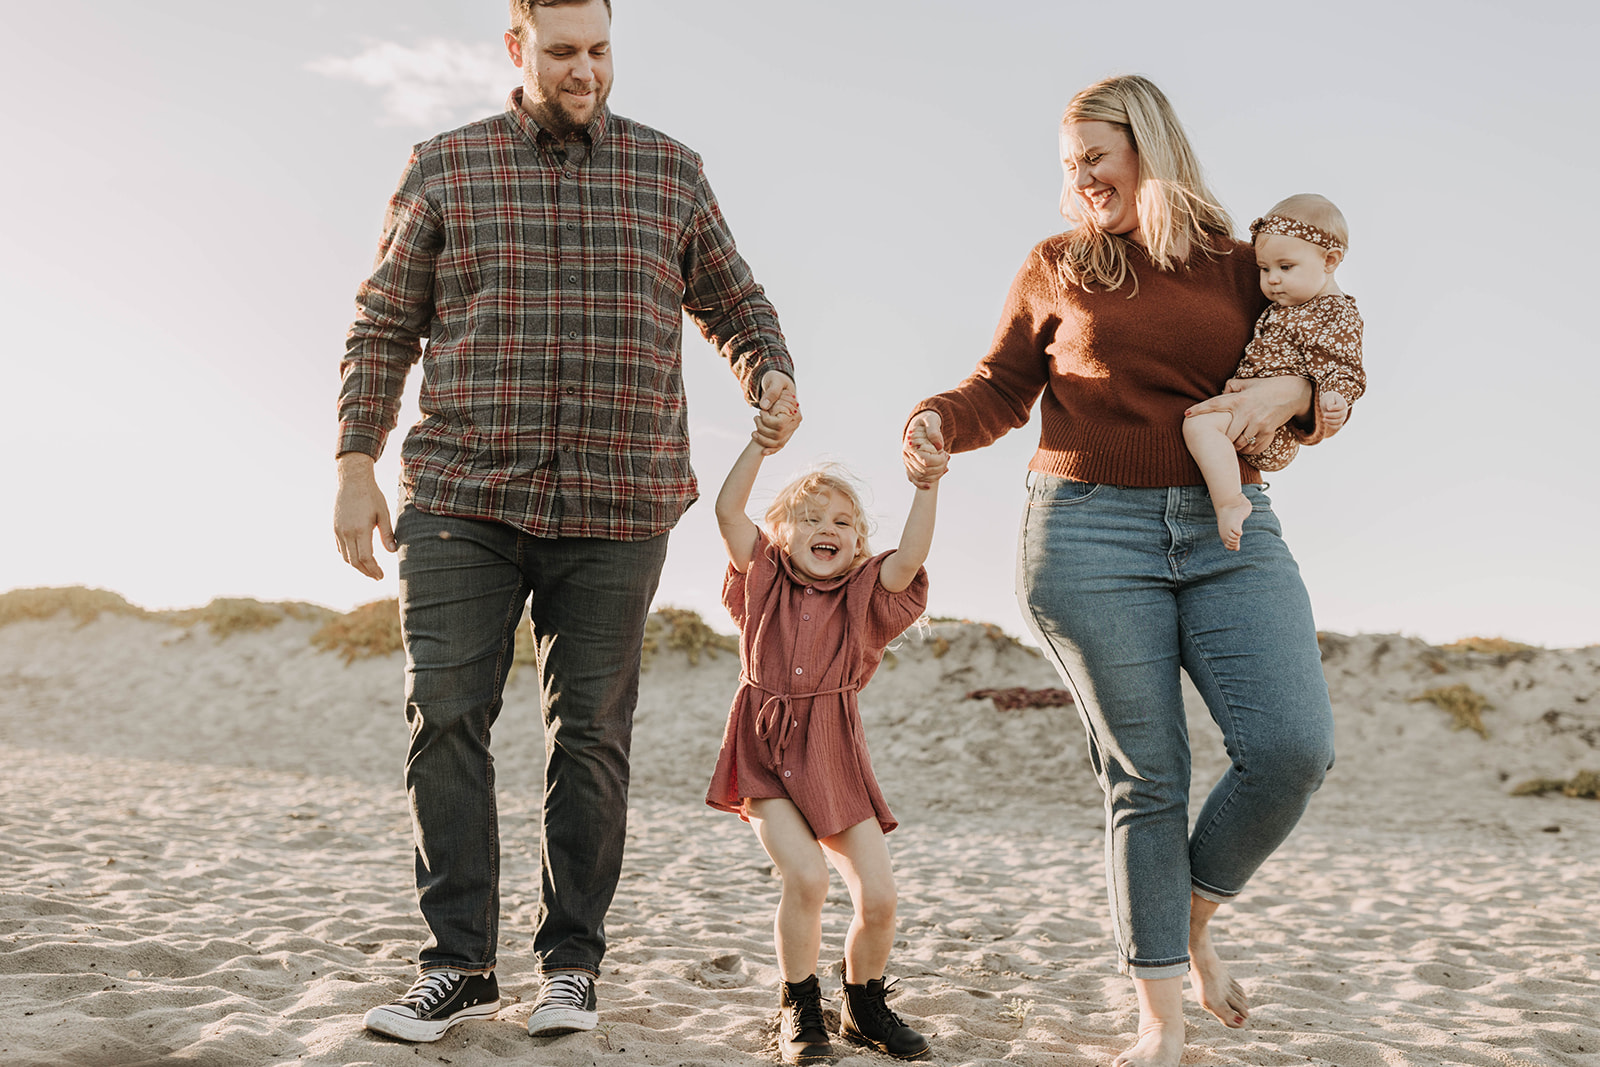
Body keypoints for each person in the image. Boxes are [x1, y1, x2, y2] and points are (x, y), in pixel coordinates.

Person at [334, 0, 799, 1045]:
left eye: (599, 51)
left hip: (619, 498)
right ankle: (455, 963)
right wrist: (354, 459)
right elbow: (381, 323)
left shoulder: (669, 170)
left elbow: (736, 300)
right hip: (462, 490)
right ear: (516, 49)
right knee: (444, 712)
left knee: (588, 735)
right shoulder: (445, 164)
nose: (584, 70)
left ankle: (570, 965)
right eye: (562, 52)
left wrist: (767, 367)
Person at [902, 74, 1339, 1067]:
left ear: (1149, 147)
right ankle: (1157, 1018)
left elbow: (1329, 351)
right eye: (1068, 163)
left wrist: (1298, 391)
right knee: (1148, 776)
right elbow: (999, 388)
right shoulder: (1057, 263)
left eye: (1095, 155)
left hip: (1228, 529)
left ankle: (1187, 921)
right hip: (1085, 533)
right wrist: (933, 422)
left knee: (1291, 746)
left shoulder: (1244, 267)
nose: (1080, 177)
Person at [707, 407, 940, 1064]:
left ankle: (862, 1004)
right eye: (810, 518)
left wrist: (927, 484)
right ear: (781, 533)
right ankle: (799, 1006)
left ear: (858, 542)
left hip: (833, 755)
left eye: (841, 521)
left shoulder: (866, 593)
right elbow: (728, 512)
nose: (826, 529)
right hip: (765, 751)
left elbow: (912, 557)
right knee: (806, 877)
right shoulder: (762, 577)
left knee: (880, 898)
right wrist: (758, 441)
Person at [1183, 193, 1365, 548]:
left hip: (1274, 431)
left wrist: (1334, 397)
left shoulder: (1335, 313)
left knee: (1198, 423)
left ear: (1330, 261)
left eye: (1285, 267)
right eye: (1265, 269)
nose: (1272, 280)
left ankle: (1230, 501)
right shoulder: (1284, 306)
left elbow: (1342, 364)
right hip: (1256, 419)